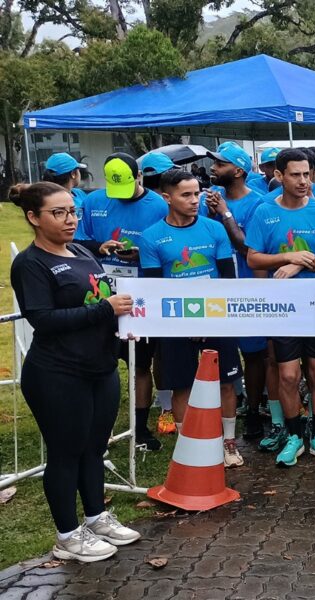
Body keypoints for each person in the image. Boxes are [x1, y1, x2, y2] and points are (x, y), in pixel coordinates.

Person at [10, 182, 142, 562]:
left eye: (73, 211)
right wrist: (106, 310)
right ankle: (67, 536)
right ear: (34, 217)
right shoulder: (31, 263)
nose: (70, 219)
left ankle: (96, 518)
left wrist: (122, 326)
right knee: (66, 453)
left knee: (94, 448)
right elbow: (43, 319)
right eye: (58, 213)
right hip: (58, 373)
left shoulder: (82, 250)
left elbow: (100, 300)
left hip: (99, 368)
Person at [245, 148, 315, 467]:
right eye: (295, 175)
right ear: (279, 176)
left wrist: (302, 264)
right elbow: (253, 258)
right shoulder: (264, 212)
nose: (303, 181)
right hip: (283, 307)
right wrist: (287, 257)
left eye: (307, 174)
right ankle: (293, 436)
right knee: (288, 375)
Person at [139, 170, 243, 467]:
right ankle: (189, 449)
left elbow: (227, 279)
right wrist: (186, 322)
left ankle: (228, 443)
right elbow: (156, 289)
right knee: (182, 385)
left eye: (196, 193)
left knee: (226, 383)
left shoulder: (214, 229)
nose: (195, 200)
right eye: (186, 195)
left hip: (216, 318)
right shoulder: (151, 237)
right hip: (176, 322)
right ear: (167, 197)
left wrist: (207, 320)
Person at [74, 153, 169, 452]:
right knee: (99, 363)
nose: (121, 196)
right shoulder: (93, 201)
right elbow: (76, 241)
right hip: (100, 294)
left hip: (140, 295)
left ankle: (139, 429)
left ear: (139, 176)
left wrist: (143, 254)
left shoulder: (158, 205)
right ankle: (98, 429)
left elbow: (167, 243)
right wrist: (99, 246)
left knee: (140, 363)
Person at [203, 143, 272, 444]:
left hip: (249, 287)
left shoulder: (258, 204)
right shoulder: (210, 200)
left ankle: (254, 409)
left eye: (221, 164)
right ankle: (226, 407)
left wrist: (225, 213)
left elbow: (247, 247)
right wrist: (211, 213)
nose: (214, 168)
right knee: (220, 352)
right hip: (218, 289)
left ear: (238, 171)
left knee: (254, 353)